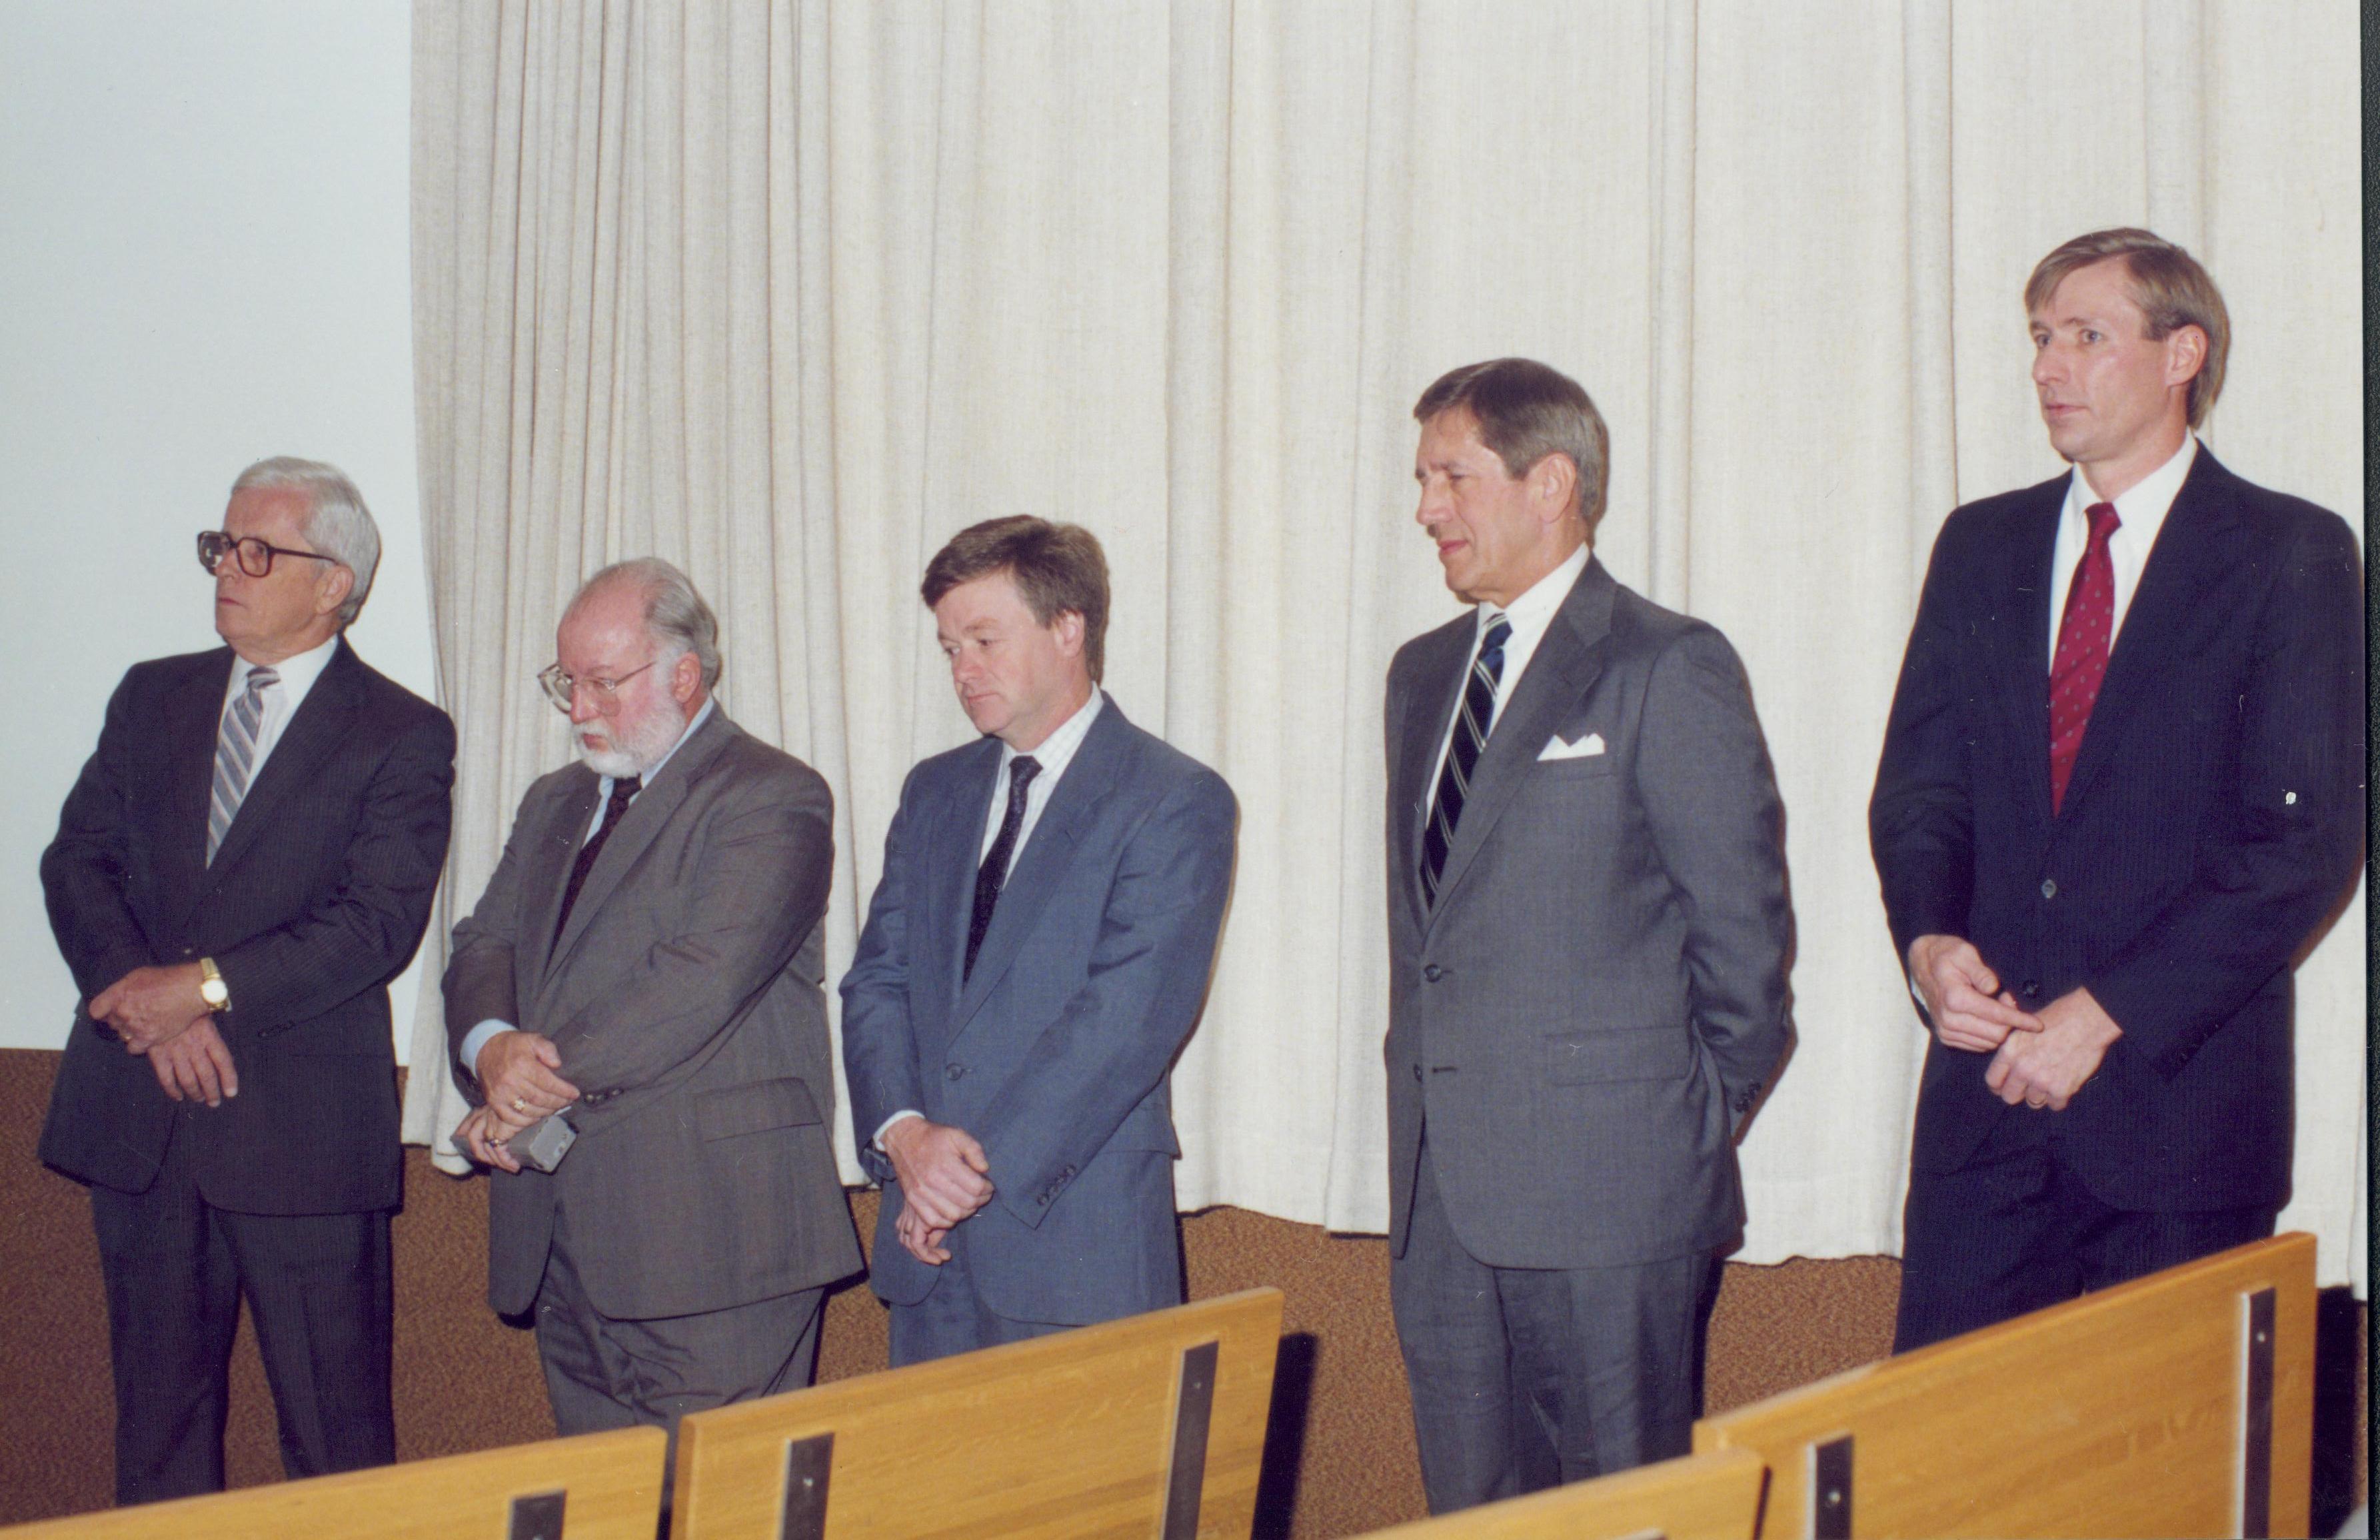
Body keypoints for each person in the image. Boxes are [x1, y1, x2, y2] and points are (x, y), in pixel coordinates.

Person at [1870, 229, 2363, 1351]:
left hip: (2179, 1122)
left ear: (2181, 352)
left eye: (2087, 337)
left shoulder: (2288, 552)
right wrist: (1929, 945)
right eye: (2041, 337)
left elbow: (2301, 847)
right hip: (1982, 1114)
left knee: (2175, 1487)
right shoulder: (1977, 545)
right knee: (1955, 1484)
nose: (2048, 368)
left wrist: (2102, 1016)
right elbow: (1920, 792)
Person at [1384, 359, 1792, 1513]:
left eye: (1452, 475)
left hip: (1616, 1197)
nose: (1425, 508)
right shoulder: (1420, 678)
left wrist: (1675, 1134)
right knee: (1472, 1515)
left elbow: (1743, 952)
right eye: (1421, 479)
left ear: (1550, 479)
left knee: (1621, 1515)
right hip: (1444, 1200)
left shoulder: (1667, 664)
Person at [39, 458, 455, 1503]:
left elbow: (375, 923)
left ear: (335, 584)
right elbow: (77, 860)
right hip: (143, 1120)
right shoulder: (153, 694)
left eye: (260, 551)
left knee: (334, 1439)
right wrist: (149, 999)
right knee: (159, 1433)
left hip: (300, 1138)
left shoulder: (402, 733)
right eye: (224, 544)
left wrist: (207, 989)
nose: (230, 566)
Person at [443, 559, 859, 1465]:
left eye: (602, 681)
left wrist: (521, 1090)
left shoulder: (770, 794)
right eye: (567, 681)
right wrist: (490, 1046)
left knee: (727, 1512)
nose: (577, 708)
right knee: (605, 1511)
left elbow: (697, 980)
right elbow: (483, 941)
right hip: (566, 1237)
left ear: (683, 674)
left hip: (716, 1246)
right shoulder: (553, 800)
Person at [841, 516, 1236, 1365]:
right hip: (923, 1245)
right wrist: (905, 1136)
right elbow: (877, 980)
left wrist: (956, 1181)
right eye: (949, 648)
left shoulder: (1172, 798)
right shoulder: (934, 790)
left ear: (1069, 629)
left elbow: (1125, 1023)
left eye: (984, 638)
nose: (963, 670)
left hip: (1070, 1245)